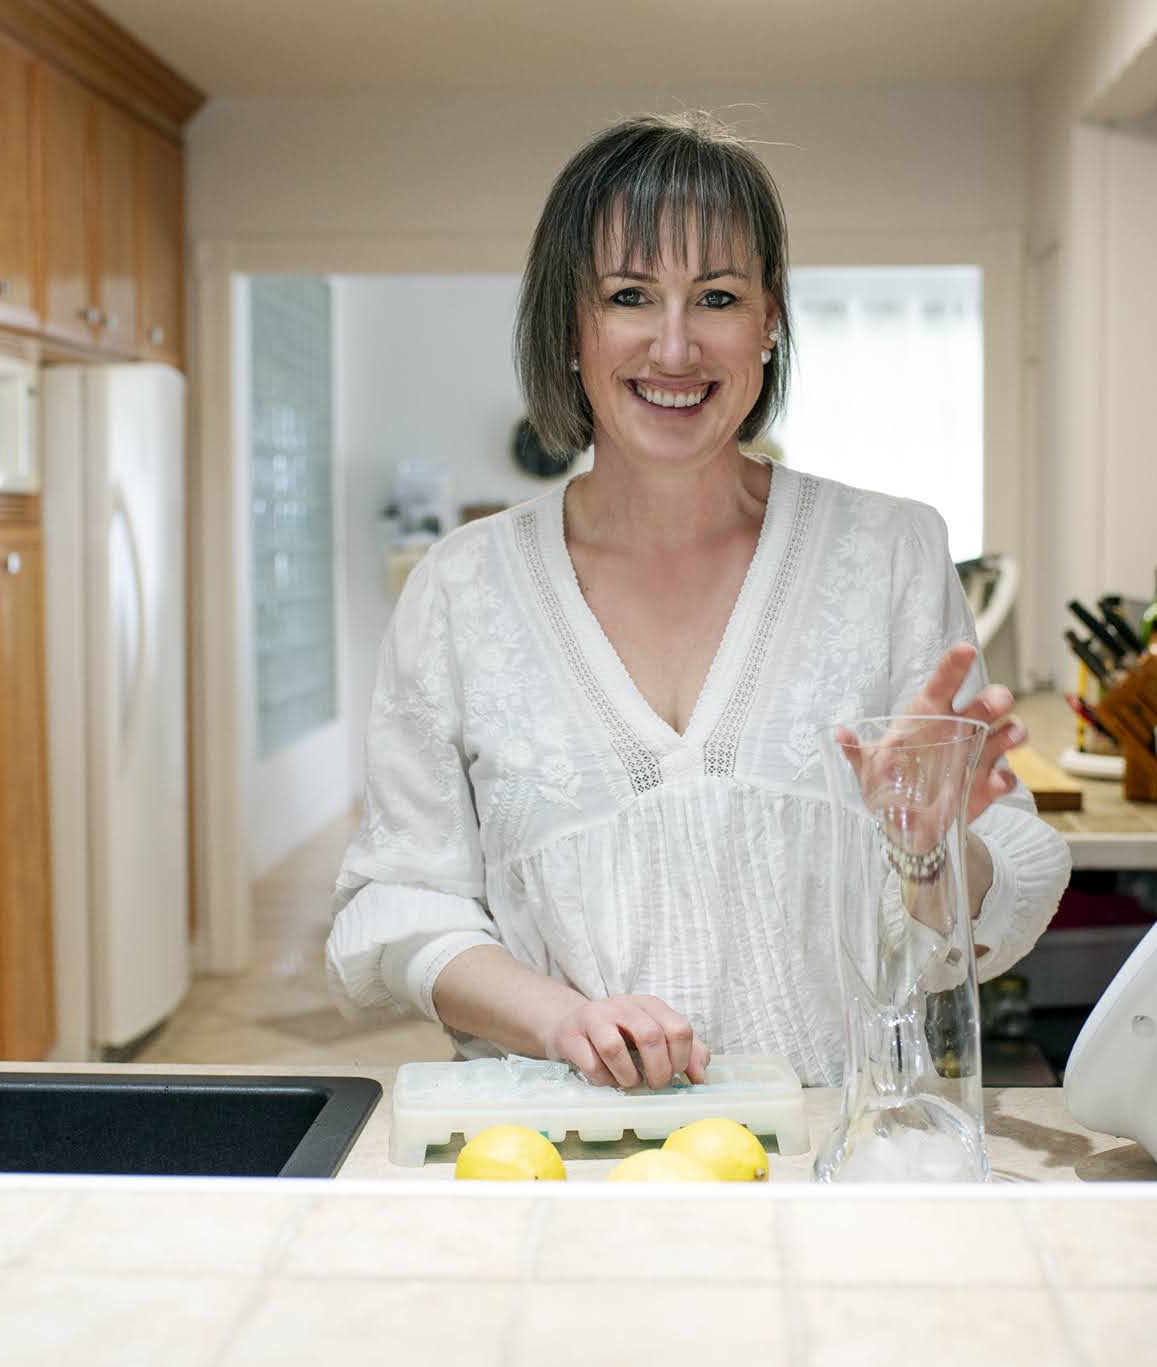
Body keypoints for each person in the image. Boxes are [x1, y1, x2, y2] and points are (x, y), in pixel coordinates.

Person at [326, 111, 1070, 1089]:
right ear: (569, 324)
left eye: (714, 296)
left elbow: (983, 903)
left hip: (836, 1158)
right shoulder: (460, 591)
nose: (673, 348)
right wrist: (568, 1021)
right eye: (629, 295)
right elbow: (406, 903)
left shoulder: (888, 552)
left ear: (769, 322)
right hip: (562, 1152)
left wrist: (928, 856)